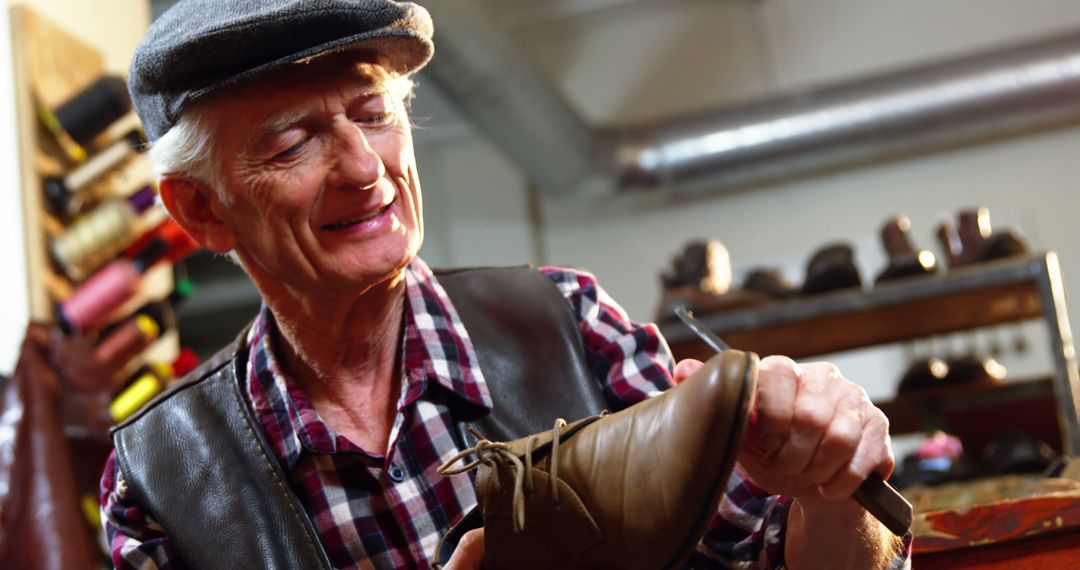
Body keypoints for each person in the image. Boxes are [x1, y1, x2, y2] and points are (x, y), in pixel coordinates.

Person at [100, 1, 911, 568]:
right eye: (292, 144)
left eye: (374, 112)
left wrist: (831, 492)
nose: (362, 168)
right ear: (202, 209)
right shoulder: (161, 483)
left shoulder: (569, 326)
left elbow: (791, 556)